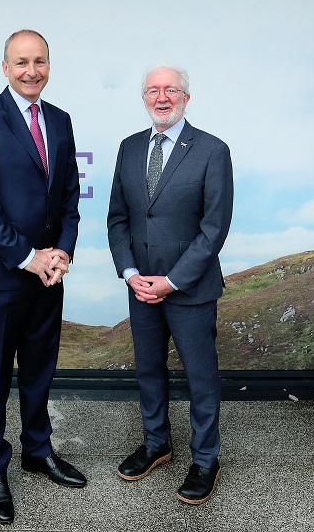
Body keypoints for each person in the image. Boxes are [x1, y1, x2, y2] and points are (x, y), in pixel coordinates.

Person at [0, 29, 86, 525]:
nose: (31, 70)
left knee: (39, 371)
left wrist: (62, 254)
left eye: (39, 61)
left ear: (49, 65)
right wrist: (27, 256)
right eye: (21, 62)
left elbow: (70, 196)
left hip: (49, 274)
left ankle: (38, 450)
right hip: (0, 273)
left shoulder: (60, 120)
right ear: (5, 66)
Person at [106, 65, 234, 505]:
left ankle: (205, 459)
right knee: (148, 371)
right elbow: (118, 218)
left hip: (190, 288)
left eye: (171, 90)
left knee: (201, 377)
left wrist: (173, 280)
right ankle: (156, 443)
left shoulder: (213, 151)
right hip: (140, 286)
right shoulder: (128, 148)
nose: (162, 97)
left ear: (186, 97)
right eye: (153, 90)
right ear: (144, 97)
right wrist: (130, 274)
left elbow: (214, 229)